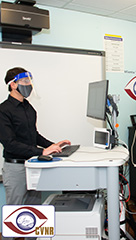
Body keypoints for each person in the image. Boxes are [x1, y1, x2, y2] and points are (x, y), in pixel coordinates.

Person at [0, 67, 70, 240]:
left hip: (32, 166)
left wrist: (52, 145)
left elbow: (34, 135)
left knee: (35, 214)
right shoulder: (4, 110)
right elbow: (10, 143)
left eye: (30, 81)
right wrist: (42, 151)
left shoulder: (28, 108)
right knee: (14, 217)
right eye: (24, 82)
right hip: (15, 168)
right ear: (13, 85)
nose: (29, 85)